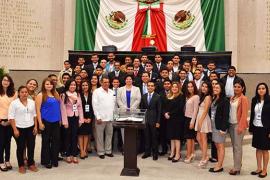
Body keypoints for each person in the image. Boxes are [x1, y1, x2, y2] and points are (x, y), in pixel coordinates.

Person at [9, 86, 38, 174]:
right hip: (19, 128)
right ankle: (21, 165)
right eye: (22, 92)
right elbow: (11, 117)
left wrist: (35, 127)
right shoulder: (14, 103)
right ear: (19, 93)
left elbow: (35, 115)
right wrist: (15, 130)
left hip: (30, 127)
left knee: (31, 146)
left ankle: (31, 164)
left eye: (26, 92)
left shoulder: (32, 102)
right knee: (20, 147)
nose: (24, 94)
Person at [36, 78, 61, 169]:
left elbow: (58, 107)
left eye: (50, 84)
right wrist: (40, 123)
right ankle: (46, 161)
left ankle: (54, 159)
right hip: (46, 121)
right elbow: (38, 110)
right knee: (46, 142)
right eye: (47, 84)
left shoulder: (56, 94)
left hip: (56, 121)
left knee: (56, 141)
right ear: (43, 85)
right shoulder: (40, 95)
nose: (49, 85)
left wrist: (60, 119)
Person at [60, 79, 84, 164]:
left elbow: (80, 107)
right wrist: (65, 122)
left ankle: (74, 155)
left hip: (75, 118)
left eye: (74, 85)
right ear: (68, 85)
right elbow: (62, 109)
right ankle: (68, 154)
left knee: (74, 137)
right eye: (71, 85)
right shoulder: (64, 95)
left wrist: (81, 119)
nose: (73, 86)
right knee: (67, 137)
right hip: (68, 118)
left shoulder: (77, 94)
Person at [228, 79, 249, 175]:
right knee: (235, 147)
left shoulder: (243, 99)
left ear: (243, 88)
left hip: (238, 125)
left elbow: (244, 115)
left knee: (237, 147)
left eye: (239, 87)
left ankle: (236, 168)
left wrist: (240, 127)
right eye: (235, 86)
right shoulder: (232, 97)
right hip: (231, 125)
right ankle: (237, 165)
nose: (236, 88)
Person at [249, 83, 270, 178]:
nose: (261, 90)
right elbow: (252, 115)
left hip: (266, 128)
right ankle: (259, 168)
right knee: (258, 148)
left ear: (266, 90)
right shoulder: (254, 100)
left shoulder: (269, 100)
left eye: (263, 88)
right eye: (259, 88)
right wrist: (251, 128)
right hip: (256, 127)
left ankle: (265, 170)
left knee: (265, 150)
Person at [92, 77, 115, 159]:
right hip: (100, 118)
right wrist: (98, 117)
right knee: (99, 136)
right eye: (105, 82)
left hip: (110, 118)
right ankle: (101, 152)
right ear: (101, 83)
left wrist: (114, 116)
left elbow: (114, 105)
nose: (106, 84)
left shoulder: (112, 92)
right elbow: (95, 105)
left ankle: (108, 151)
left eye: (108, 82)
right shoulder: (96, 92)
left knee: (109, 135)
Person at [209, 82, 230, 173]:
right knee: (217, 145)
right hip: (214, 125)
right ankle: (219, 163)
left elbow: (226, 115)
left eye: (217, 88)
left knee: (220, 146)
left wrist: (223, 128)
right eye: (214, 87)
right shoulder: (215, 98)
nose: (215, 89)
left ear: (222, 89)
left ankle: (219, 166)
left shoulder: (225, 100)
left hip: (220, 127)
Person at [163, 82, 185, 163]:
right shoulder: (169, 96)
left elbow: (179, 108)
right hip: (170, 120)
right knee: (171, 137)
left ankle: (177, 154)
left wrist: (169, 113)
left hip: (178, 119)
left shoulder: (181, 96)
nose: (174, 88)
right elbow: (165, 107)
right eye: (173, 87)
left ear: (178, 88)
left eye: (176, 87)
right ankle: (172, 153)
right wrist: (165, 113)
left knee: (177, 138)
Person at [117, 75, 141, 142]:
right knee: (123, 129)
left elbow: (138, 99)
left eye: (130, 79)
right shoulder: (120, 89)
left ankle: (133, 146)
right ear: (125, 80)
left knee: (133, 128)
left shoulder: (137, 89)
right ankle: (125, 146)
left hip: (133, 112)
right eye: (127, 79)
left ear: (132, 80)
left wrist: (131, 108)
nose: (128, 80)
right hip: (123, 112)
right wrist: (124, 108)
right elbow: (118, 99)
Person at [141, 81, 161, 161]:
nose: (150, 87)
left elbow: (159, 110)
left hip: (154, 120)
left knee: (154, 137)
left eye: (152, 86)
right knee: (146, 137)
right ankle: (147, 152)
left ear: (154, 87)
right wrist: (142, 120)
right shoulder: (144, 96)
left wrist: (158, 122)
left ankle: (155, 153)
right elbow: (142, 109)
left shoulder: (158, 97)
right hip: (146, 120)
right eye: (148, 86)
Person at [0, 75, 17, 171]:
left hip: (10, 121)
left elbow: (15, 108)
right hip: (1, 122)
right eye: (4, 80)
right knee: (1, 142)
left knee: (8, 142)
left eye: (8, 80)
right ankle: (1, 162)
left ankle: (7, 160)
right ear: (1, 81)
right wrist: (1, 121)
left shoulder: (14, 93)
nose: (6, 82)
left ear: (10, 82)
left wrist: (10, 121)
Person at [195, 81, 212, 168]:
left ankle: (204, 158)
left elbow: (205, 111)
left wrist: (200, 122)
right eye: (203, 86)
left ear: (209, 88)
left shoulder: (208, 97)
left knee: (203, 139)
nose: (204, 88)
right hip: (200, 117)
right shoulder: (202, 96)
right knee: (198, 138)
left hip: (203, 119)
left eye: (206, 87)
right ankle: (205, 155)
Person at [78, 80, 94, 159]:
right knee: (81, 134)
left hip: (89, 118)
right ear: (81, 86)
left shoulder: (92, 95)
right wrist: (82, 118)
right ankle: (81, 151)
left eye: (86, 85)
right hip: (81, 118)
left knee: (87, 134)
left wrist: (90, 118)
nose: (85, 87)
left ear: (89, 86)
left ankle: (85, 150)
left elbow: (92, 108)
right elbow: (77, 108)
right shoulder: (78, 95)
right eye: (83, 85)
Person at [184, 81, 199, 163]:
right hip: (186, 118)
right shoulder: (188, 96)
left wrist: (192, 122)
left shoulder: (196, 97)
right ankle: (192, 153)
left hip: (191, 119)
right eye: (188, 87)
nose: (190, 88)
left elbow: (195, 111)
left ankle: (188, 155)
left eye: (191, 86)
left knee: (189, 139)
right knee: (191, 138)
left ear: (194, 87)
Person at [159, 79, 172, 155]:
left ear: (170, 85)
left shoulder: (174, 92)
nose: (167, 85)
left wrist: (169, 113)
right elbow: (160, 105)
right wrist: (164, 113)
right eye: (165, 84)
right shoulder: (160, 94)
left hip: (172, 116)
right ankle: (164, 149)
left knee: (171, 133)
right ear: (163, 85)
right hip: (163, 116)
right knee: (162, 134)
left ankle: (172, 150)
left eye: (168, 84)